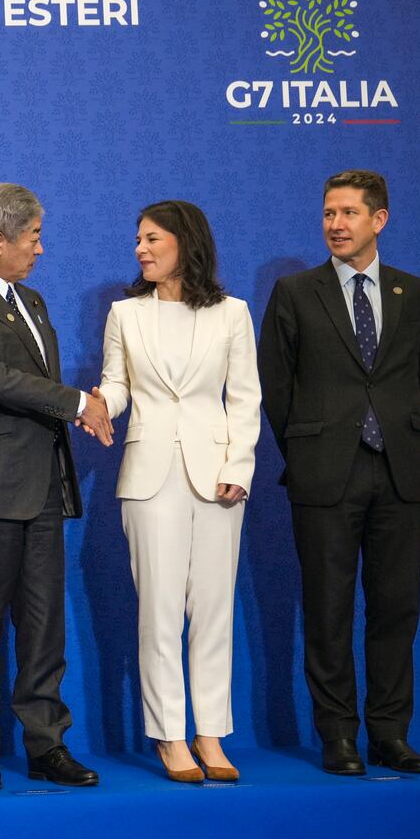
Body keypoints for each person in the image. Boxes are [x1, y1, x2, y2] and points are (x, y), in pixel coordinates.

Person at [259, 170, 420, 776]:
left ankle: (390, 734)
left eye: (349, 213)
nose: (335, 224)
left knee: (396, 608)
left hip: (400, 472)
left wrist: (391, 429)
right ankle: (337, 735)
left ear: (379, 219)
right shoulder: (295, 291)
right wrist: (309, 449)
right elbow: (276, 389)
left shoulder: (415, 292)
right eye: (329, 212)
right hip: (323, 472)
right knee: (328, 608)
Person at [0, 183, 107, 791]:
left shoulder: (32, 300)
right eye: (33, 236)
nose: (40, 248)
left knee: (44, 629)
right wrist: (76, 402)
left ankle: (47, 746)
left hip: (42, 489)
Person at [95, 201, 260, 782]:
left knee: (214, 610)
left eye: (152, 238)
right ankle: (170, 736)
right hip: (148, 475)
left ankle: (211, 734)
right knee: (159, 612)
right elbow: (117, 384)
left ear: (185, 242)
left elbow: (244, 398)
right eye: (137, 239)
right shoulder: (125, 313)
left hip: (217, 476)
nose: (140, 249)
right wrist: (96, 406)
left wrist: (238, 466)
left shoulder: (233, 314)